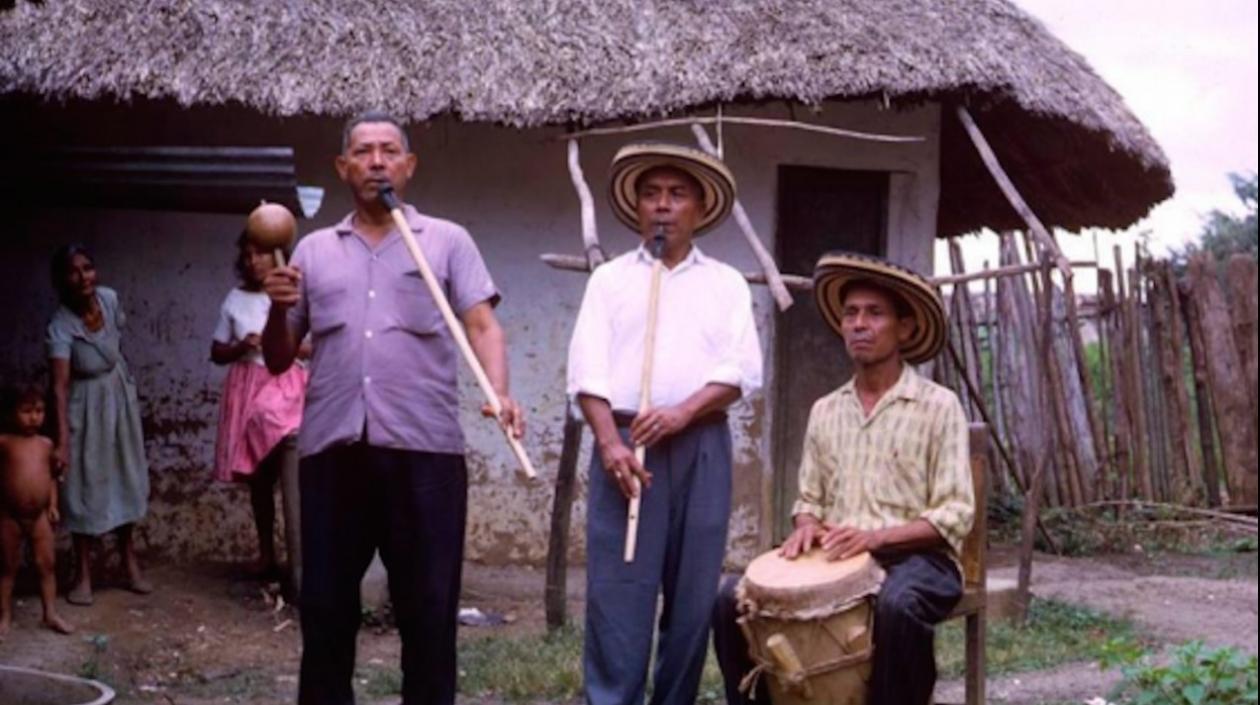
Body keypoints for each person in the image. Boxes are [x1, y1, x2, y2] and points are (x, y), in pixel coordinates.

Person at [262, 110, 524, 705]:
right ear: (342, 167)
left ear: (408, 166)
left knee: (428, 613)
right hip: (333, 452)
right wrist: (277, 308)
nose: (376, 161)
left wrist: (499, 391)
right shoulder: (313, 250)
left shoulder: (449, 240)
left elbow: (482, 324)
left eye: (388, 151)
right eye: (362, 151)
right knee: (326, 609)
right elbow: (279, 359)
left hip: (425, 454)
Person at [712, 252, 975, 705]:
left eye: (875, 314)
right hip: (836, 556)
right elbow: (808, 500)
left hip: (920, 559)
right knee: (728, 598)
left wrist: (876, 539)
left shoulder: (938, 405)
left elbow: (955, 512)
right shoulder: (826, 409)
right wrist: (807, 527)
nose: (858, 324)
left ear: (905, 329)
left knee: (898, 605)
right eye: (851, 313)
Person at [567, 142, 763, 705]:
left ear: (699, 208)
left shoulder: (724, 282)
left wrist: (683, 412)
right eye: (651, 194)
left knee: (693, 591)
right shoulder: (609, 280)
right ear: (636, 207)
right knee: (619, 587)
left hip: (700, 441)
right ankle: (611, 698)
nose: (662, 206)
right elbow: (587, 370)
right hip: (626, 445)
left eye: (677, 195)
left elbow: (742, 369)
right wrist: (609, 443)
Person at [47, 244, 151, 606]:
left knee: (126, 475)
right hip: (85, 405)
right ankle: (83, 574)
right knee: (84, 484)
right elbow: (59, 386)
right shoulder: (60, 326)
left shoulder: (108, 299)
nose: (83, 278)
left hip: (117, 396)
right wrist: (62, 440)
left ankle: (128, 562)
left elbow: (116, 341)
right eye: (73, 272)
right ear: (62, 281)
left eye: (87, 268)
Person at [210, 231, 307, 582]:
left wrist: (274, 341)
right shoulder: (235, 299)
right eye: (248, 255)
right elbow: (216, 351)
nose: (253, 261)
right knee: (259, 480)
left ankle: (300, 562)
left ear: (278, 255)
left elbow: (311, 344)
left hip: (284, 387)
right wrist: (242, 347)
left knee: (293, 474)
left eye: (261, 254)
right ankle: (267, 554)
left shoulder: (293, 293)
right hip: (247, 389)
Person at [0, 383, 74, 636]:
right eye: (26, 411)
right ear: (11, 414)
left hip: (40, 516)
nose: (34, 417)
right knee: (7, 567)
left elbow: (51, 477)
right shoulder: (5, 442)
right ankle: (5, 616)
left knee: (46, 565)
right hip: (9, 516)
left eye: (39, 411)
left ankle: (50, 614)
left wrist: (53, 504)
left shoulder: (46, 444)